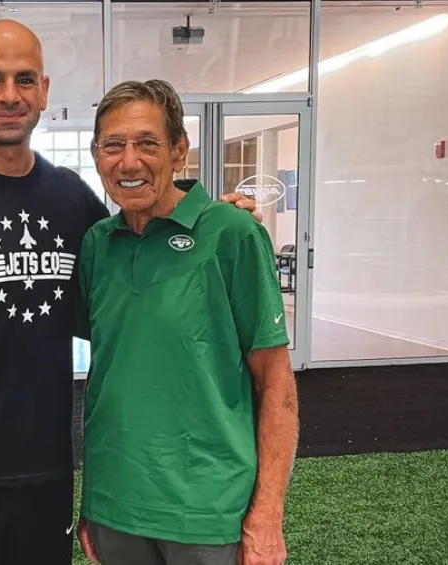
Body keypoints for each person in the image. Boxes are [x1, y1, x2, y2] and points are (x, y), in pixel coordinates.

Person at [0, 20, 261, 565]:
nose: (8, 95)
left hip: (45, 478)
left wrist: (213, 220)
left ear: (44, 91)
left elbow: (136, 243)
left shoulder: (70, 199)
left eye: (25, 80)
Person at [75, 79, 299, 565]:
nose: (128, 161)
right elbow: (113, 372)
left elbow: (276, 384)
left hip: (207, 512)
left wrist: (267, 514)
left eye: (147, 143)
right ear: (96, 155)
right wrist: (91, 503)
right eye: (113, 145)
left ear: (179, 150)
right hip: (117, 507)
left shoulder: (233, 234)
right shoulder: (96, 244)